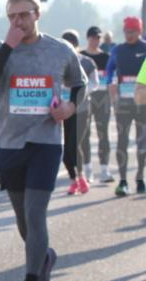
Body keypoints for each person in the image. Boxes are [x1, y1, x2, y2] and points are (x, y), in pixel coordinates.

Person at [0, 0, 86, 281]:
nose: (18, 22)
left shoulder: (59, 50)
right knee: (23, 220)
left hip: (46, 142)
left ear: (37, 14)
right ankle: (44, 257)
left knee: (36, 214)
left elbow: (79, 85)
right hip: (9, 144)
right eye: (11, 16)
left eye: (23, 15)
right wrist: (8, 45)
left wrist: (68, 105)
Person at [104, 16, 146, 196]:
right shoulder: (117, 50)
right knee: (122, 141)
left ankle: (139, 178)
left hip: (143, 103)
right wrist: (112, 91)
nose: (129, 35)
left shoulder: (144, 48)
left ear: (140, 31)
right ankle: (122, 181)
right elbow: (109, 72)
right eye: (126, 32)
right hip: (123, 103)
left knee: (142, 142)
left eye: (132, 31)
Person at [60, 30, 97, 195]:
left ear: (77, 46)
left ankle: (80, 177)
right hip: (65, 110)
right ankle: (75, 179)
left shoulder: (87, 62)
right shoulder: (58, 63)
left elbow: (94, 83)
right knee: (67, 148)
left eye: (71, 45)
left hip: (82, 109)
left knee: (74, 145)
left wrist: (79, 93)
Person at [81, 26, 114, 183]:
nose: (96, 40)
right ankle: (87, 170)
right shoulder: (82, 57)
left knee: (103, 134)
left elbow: (111, 79)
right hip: (86, 99)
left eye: (98, 37)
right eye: (93, 37)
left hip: (103, 98)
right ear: (88, 38)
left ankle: (104, 169)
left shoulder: (107, 57)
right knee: (84, 135)